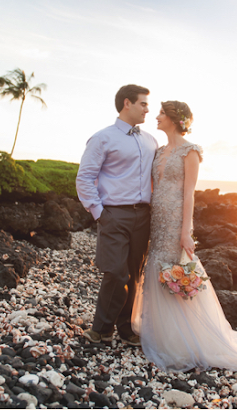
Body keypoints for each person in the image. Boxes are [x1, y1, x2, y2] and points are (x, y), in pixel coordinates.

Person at [131, 101, 237, 379]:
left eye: (161, 113)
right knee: (156, 271)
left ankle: (187, 339)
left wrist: (187, 231)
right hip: (156, 222)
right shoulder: (159, 151)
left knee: (177, 274)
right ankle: (163, 334)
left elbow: (189, 194)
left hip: (175, 223)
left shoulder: (190, 151)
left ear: (173, 118)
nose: (156, 117)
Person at [76, 84, 158, 346]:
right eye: (143, 103)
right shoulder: (103, 138)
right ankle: (100, 330)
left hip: (143, 216)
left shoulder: (151, 141)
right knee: (115, 272)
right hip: (113, 215)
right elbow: (85, 178)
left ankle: (126, 329)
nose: (148, 109)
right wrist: (99, 213)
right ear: (127, 103)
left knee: (133, 274)